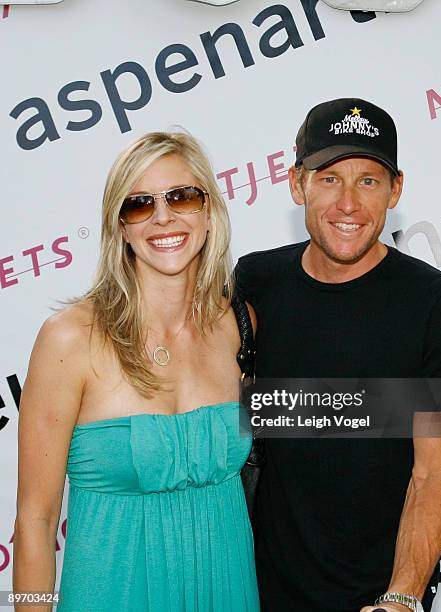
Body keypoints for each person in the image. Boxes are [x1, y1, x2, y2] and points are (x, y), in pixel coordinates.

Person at [235, 98, 441, 612]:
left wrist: (401, 597)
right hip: (257, 589)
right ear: (295, 182)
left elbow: (435, 472)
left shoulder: (439, 303)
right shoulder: (253, 280)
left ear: (396, 189)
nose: (347, 203)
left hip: (378, 595)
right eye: (329, 178)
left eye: (369, 181)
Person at [13, 131, 260, 612]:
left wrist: (433, 408)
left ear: (209, 213)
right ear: (120, 227)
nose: (164, 217)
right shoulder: (70, 339)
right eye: (139, 204)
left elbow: (333, 418)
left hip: (228, 593)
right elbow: (35, 521)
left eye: (182, 197)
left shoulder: (238, 327)